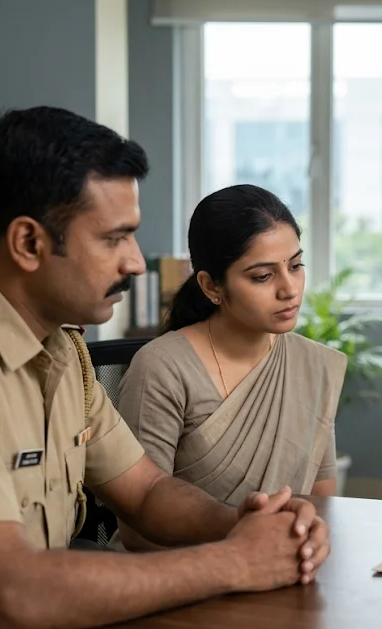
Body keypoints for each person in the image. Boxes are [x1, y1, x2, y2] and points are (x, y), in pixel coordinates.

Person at [0, 106, 330, 629]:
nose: (137, 262)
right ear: (28, 243)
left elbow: (145, 493)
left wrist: (251, 524)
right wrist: (234, 561)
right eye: (115, 238)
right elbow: (7, 594)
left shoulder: (61, 347)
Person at [110, 184, 346, 552]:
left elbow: (322, 503)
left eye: (296, 266)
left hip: (280, 565)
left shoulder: (310, 364)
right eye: (262, 276)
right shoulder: (163, 368)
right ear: (211, 286)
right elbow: (137, 530)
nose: (290, 290)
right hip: (172, 577)